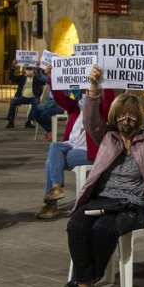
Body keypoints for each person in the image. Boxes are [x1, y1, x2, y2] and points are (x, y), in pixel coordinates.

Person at [58, 66, 144, 287]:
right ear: (115, 117)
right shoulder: (107, 137)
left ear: (139, 117)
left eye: (132, 115)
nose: (127, 119)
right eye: (122, 115)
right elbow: (90, 121)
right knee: (76, 225)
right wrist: (94, 88)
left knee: (103, 229)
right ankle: (86, 280)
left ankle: (85, 285)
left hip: (134, 205)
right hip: (104, 200)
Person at [37, 75, 117, 220]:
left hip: (89, 153)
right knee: (54, 147)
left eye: (91, 89)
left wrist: (105, 79)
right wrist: (52, 77)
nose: (88, 91)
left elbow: (110, 100)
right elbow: (59, 97)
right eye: (86, 90)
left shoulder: (102, 110)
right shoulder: (76, 107)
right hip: (71, 146)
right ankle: (56, 188)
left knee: (50, 162)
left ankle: (52, 201)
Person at [6, 61, 47, 129]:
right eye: (27, 68)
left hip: (33, 97)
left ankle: (29, 121)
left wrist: (38, 69)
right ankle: (11, 121)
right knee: (13, 101)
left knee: (36, 102)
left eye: (31, 69)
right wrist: (13, 66)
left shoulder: (38, 78)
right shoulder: (22, 78)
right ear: (25, 70)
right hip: (22, 97)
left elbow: (44, 80)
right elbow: (11, 77)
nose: (29, 70)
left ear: (33, 70)